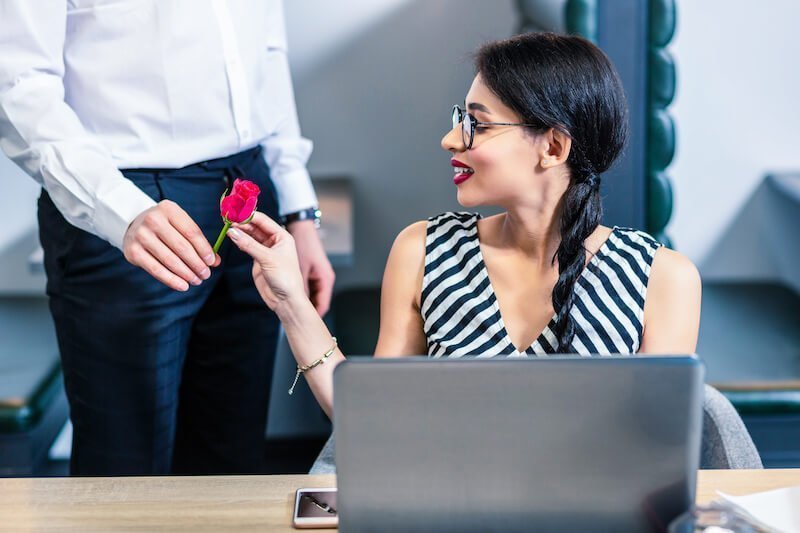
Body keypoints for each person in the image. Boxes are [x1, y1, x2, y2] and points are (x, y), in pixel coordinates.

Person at [228, 32, 701, 419]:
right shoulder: (423, 250)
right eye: (460, 119)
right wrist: (292, 303)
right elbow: (375, 422)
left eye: (478, 124)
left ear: (553, 147)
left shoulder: (664, 279)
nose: (450, 139)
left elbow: (652, 454)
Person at [0, 0, 334, 475]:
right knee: (124, 473)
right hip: (126, 204)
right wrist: (120, 208)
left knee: (231, 461)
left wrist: (300, 209)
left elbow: (267, 52)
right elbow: (18, 81)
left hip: (248, 187)